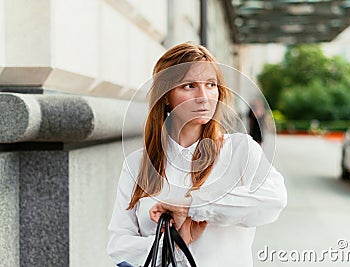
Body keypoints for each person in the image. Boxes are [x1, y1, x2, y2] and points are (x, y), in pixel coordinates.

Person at [107, 42, 287, 267]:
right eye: (189, 86)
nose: (204, 96)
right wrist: (174, 244)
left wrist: (193, 206)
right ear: (165, 96)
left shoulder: (241, 150)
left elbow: (274, 200)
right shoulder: (137, 164)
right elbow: (118, 245)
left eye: (211, 84)